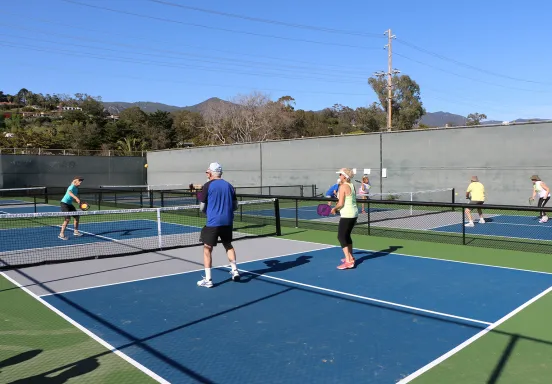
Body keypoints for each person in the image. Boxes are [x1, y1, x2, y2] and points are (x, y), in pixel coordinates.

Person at [197, 162, 240, 288]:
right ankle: (235, 270)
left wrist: (209, 212)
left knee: (207, 248)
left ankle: (209, 280)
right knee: (228, 245)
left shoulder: (207, 186)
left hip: (213, 223)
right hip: (227, 222)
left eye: (207, 172)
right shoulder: (230, 186)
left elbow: (202, 207)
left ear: (211, 173)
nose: (206, 174)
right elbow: (236, 206)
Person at [331, 168, 358, 270]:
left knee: (341, 237)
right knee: (347, 236)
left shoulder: (343, 186)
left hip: (347, 215)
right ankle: (351, 257)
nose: (339, 176)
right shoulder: (352, 185)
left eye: (340, 175)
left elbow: (341, 203)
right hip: (354, 214)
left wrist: (335, 208)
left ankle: (349, 261)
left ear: (344, 176)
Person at [59, 176, 84, 240]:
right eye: (79, 180)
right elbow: (69, 192)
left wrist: (78, 201)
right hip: (64, 204)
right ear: (76, 181)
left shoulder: (76, 188)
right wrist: (76, 198)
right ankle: (61, 234)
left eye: (81, 181)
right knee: (67, 219)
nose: (81, 182)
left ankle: (76, 231)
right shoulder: (72, 186)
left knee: (77, 216)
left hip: (69, 204)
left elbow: (73, 196)